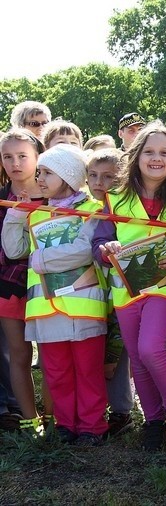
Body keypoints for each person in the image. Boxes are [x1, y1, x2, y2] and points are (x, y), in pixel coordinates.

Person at [92, 122, 166, 458]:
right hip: (126, 288)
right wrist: (105, 249)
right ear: (136, 157)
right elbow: (98, 240)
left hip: (165, 285)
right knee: (137, 357)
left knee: (151, 348)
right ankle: (153, 421)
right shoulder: (115, 196)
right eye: (149, 151)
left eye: (164, 152)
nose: (156, 158)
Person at [2, 144, 108, 446]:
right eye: (40, 173)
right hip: (45, 309)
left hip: (83, 306)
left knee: (87, 370)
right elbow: (14, 250)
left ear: (68, 175)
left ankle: (92, 427)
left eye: (47, 172)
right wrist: (15, 217)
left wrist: (41, 260)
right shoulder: (37, 211)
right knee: (56, 371)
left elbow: (84, 250)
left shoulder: (92, 210)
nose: (40, 178)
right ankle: (65, 424)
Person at [85, 148, 134, 437]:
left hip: (123, 291)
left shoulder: (125, 208)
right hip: (91, 295)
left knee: (120, 351)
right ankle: (104, 406)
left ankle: (122, 410)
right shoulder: (82, 207)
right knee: (100, 350)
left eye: (108, 177)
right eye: (93, 175)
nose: (99, 183)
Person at [0, 129, 45, 433]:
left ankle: (55, 418)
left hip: (51, 285)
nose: (15, 163)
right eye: (7, 157)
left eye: (22, 156)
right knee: (19, 352)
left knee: (53, 352)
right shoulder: (3, 196)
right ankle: (31, 420)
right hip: (8, 284)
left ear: (38, 157)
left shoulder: (56, 193)